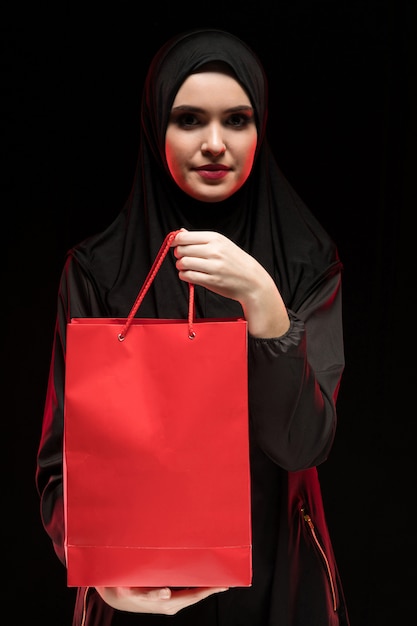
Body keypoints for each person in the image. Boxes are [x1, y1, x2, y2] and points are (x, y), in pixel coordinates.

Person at [36, 28, 350, 626]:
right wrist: (102, 575)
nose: (214, 143)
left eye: (237, 120)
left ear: (262, 129)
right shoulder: (99, 271)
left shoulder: (307, 261)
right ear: (157, 129)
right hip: (139, 595)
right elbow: (60, 469)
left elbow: (304, 444)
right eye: (188, 119)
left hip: (275, 586)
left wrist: (264, 305)